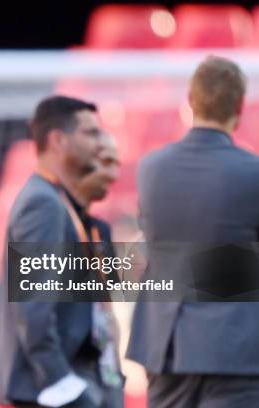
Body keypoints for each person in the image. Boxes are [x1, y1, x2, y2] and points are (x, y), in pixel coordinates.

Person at [126, 56, 259, 407]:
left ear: (191, 100)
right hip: (234, 350)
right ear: (238, 107)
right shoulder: (253, 173)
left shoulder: (151, 168)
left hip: (165, 345)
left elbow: (149, 239)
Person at [0, 95, 123, 408]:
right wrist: (60, 383)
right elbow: (33, 308)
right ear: (58, 140)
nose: (99, 143)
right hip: (49, 392)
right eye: (91, 133)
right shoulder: (43, 204)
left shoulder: (60, 204)